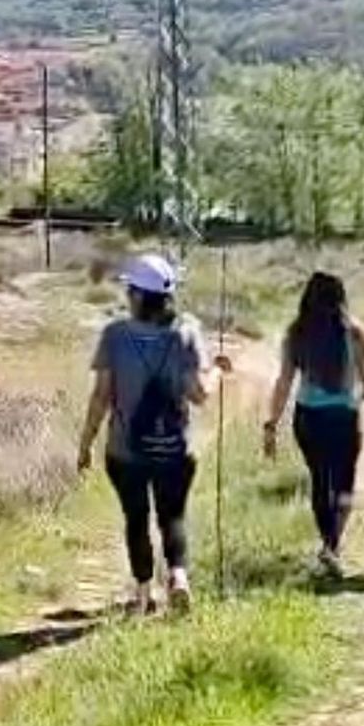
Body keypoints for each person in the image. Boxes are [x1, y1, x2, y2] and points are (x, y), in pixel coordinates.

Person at [77, 254, 218, 615]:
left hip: (126, 449)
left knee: (136, 519)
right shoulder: (185, 333)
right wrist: (217, 372)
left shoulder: (115, 336)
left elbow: (101, 396)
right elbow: (199, 394)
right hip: (176, 448)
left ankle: (144, 595)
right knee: (172, 516)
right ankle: (179, 577)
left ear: (137, 295)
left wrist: (87, 442)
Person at [264, 272, 364, 579]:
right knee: (343, 485)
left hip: (308, 418)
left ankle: (328, 541)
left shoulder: (296, 333)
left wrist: (271, 424)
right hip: (344, 417)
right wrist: (353, 400)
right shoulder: (355, 333)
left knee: (319, 480)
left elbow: (284, 382)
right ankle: (333, 544)